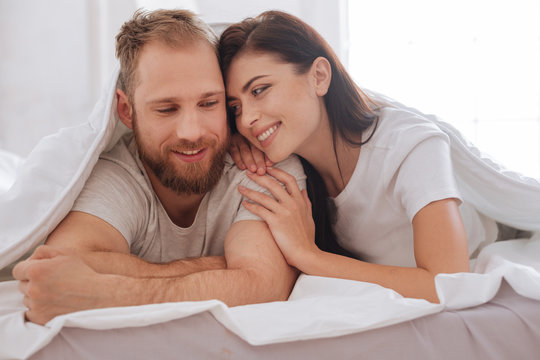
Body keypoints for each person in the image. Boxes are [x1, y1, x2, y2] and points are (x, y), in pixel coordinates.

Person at [12, 9, 306, 325]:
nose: (192, 132)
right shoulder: (116, 176)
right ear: (126, 111)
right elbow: (62, 268)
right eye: (167, 109)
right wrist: (229, 269)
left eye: (209, 104)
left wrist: (111, 294)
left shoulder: (263, 165)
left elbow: (265, 286)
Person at [219, 10, 500, 303]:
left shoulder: (410, 146)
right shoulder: (285, 167)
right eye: (235, 107)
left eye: (260, 90)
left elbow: (449, 284)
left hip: (492, 245)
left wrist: (308, 256)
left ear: (319, 76)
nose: (246, 119)